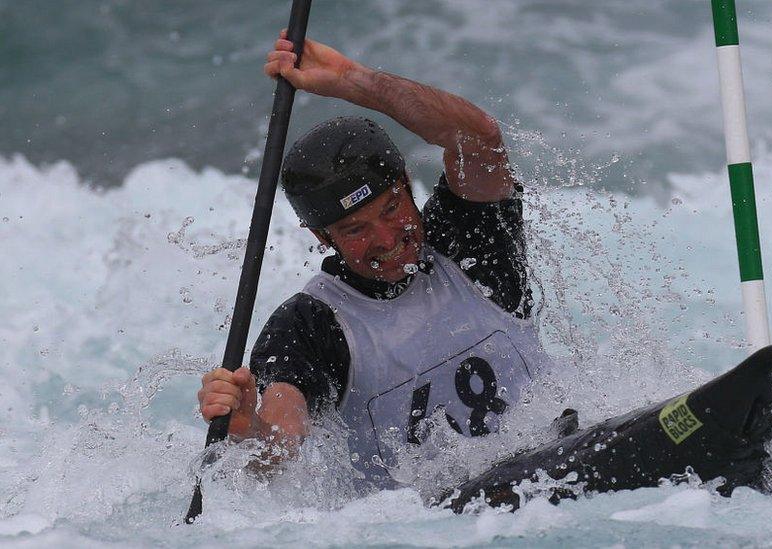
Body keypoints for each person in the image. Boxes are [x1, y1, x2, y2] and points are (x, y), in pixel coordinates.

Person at [197, 31, 550, 485]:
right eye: (356, 230)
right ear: (323, 237)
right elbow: (281, 446)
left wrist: (351, 79)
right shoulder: (309, 327)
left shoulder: (467, 241)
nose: (387, 238)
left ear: (407, 183)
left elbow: (478, 136)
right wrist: (250, 430)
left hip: (558, 457)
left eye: (391, 208)